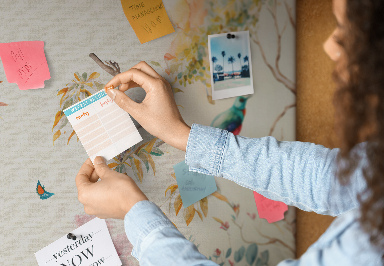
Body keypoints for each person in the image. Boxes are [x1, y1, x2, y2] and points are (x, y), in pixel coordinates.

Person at [74, 0, 384, 264]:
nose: (330, 46)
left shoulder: (368, 248)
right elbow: (330, 178)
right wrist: (180, 134)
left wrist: (134, 211)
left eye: (348, 31)